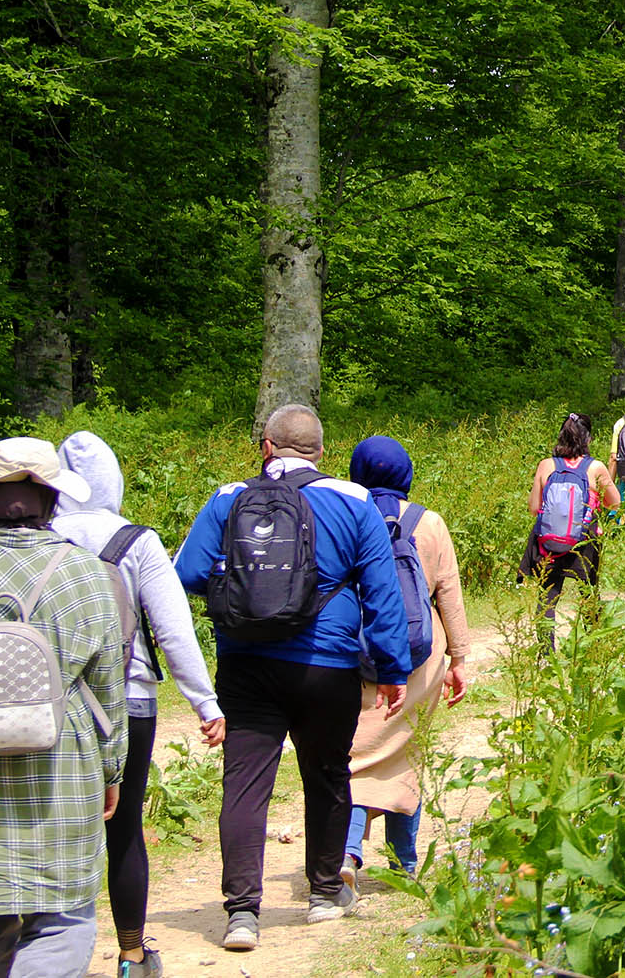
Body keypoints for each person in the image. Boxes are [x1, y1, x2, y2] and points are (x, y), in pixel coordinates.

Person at [173, 405, 410, 952]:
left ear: (266, 446)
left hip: (246, 662)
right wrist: (392, 668)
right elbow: (382, 593)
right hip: (326, 666)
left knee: (245, 783)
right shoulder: (353, 501)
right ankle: (325, 893)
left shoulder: (229, 497)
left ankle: (241, 914)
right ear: (321, 451)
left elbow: (184, 572)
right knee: (327, 774)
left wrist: (243, 601)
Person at [52, 432, 224, 978]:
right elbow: (174, 632)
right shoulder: (136, 542)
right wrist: (205, 703)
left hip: (49, 705)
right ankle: (131, 955)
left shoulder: (37, 537)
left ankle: (47, 953)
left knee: (54, 825)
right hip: (129, 699)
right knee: (123, 826)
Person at [0, 438, 127, 978]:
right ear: (51, 499)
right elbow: (109, 687)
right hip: (63, 765)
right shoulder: (86, 573)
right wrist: (113, 768)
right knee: (62, 918)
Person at [340, 437, 469, 886]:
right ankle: (404, 862)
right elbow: (448, 594)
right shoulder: (428, 522)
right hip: (420, 655)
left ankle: (348, 850)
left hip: (354, 654)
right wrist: (459, 657)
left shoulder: (345, 515)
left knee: (355, 753)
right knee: (407, 751)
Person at [521, 414, 621, 636]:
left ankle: (546, 655)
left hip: (548, 543)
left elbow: (533, 507)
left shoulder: (545, 466)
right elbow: (615, 502)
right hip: (584, 541)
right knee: (587, 593)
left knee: (547, 598)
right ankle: (590, 647)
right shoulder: (595, 467)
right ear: (588, 439)